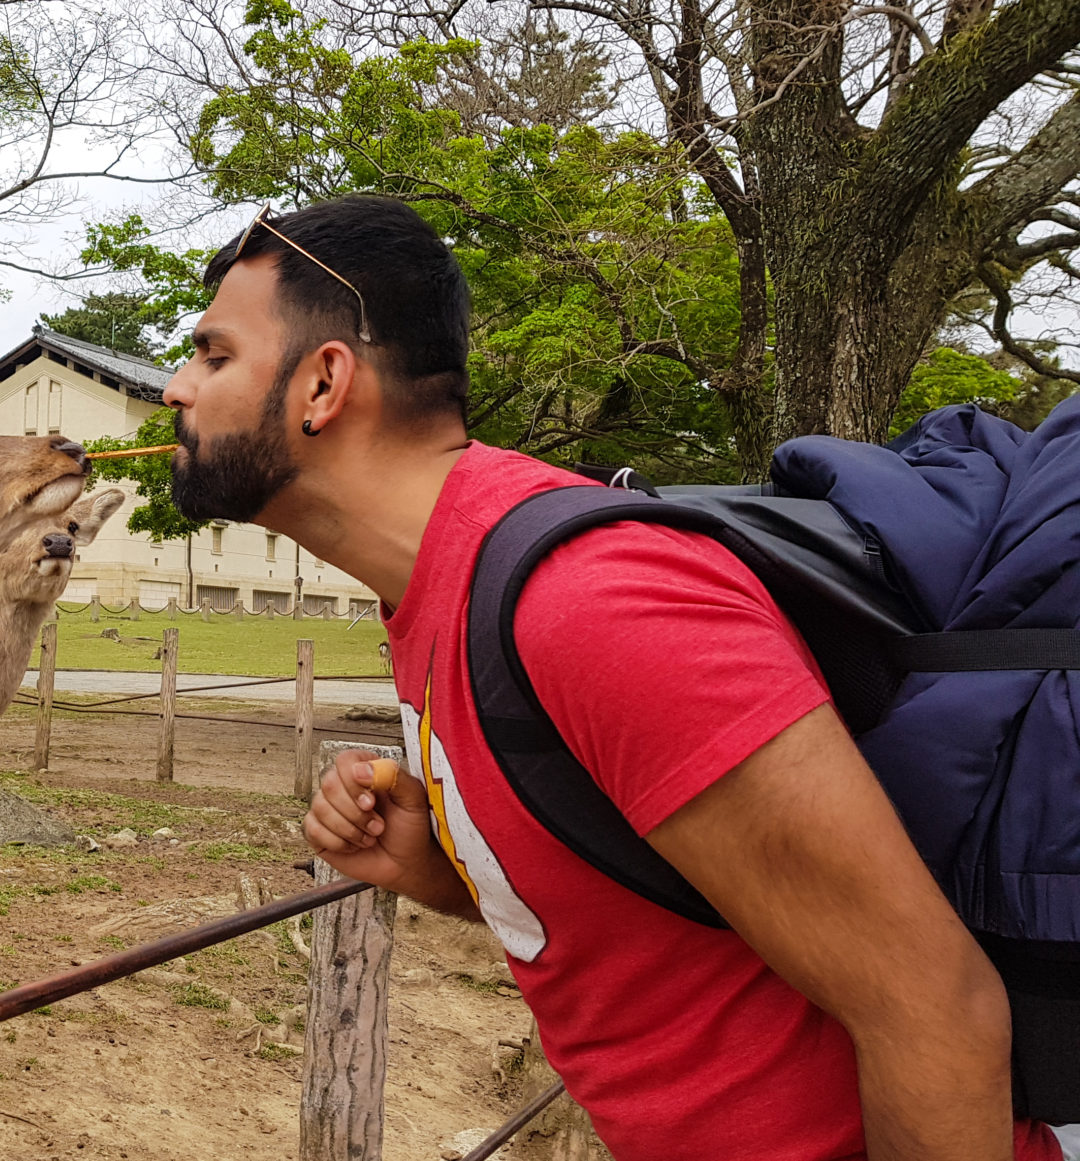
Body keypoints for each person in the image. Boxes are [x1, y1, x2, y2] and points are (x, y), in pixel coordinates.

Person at [159, 195, 1070, 1161]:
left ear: (323, 383)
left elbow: (937, 1011)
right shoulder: (435, 591)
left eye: (213, 354)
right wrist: (443, 863)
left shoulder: (591, 603)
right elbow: (647, 904)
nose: (177, 386)